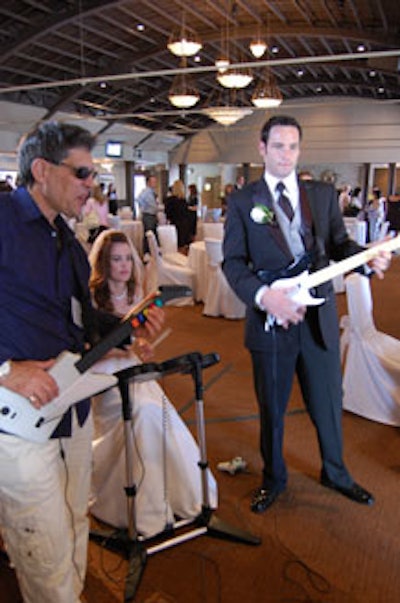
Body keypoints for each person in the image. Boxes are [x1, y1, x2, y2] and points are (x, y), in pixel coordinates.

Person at [0, 121, 163, 603]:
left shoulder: (67, 242)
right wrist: (7, 369)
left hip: (71, 412)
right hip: (19, 422)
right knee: (42, 553)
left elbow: (80, 319)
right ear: (41, 170)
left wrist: (126, 333)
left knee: (74, 524)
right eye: (83, 172)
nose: (92, 183)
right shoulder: (3, 222)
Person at [222, 114, 391, 514]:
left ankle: (336, 473)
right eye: (278, 146)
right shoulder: (244, 201)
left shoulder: (322, 195)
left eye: (293, 146)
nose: (286, 154)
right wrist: (264, 297)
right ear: (262, 149)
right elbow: (232, 263)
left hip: (319, 321)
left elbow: (339, 244)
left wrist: (367, 261)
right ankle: (274, 478)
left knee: (328, 403)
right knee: (273, 410)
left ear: (300, 149)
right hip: (272, 324)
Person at [88, 229, 217, 538]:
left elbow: (139, 346)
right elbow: (87, 357)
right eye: (115, 259)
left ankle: (181, 496)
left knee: (160, 414)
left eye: (127, 259)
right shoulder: (92, 299)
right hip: (102, 380)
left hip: (134, 372)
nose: (123, 266)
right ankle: (145, 510)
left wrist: (143, 349)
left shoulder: (136, 296)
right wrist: (126, 350)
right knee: (145, 414)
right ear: (103, 264)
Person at [165, 179, 192, 249]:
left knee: (175, 244)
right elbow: (186, 214)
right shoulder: (183, 201)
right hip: (184, 225)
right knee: (183, 245)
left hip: (174, 224)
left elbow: (167, 213)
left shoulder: (169, 200)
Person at [136, 174, 158, 254]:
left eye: (155, 182)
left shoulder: (152, 192)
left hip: (152, 215)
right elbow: (139, 200)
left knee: (152, 234)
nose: (155, 183)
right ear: (148, 183)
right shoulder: (146, 192)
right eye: (153, 182)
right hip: (148, 215)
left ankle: (151, 253)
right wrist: (143, 208)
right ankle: (147, 253)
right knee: (148, 234)